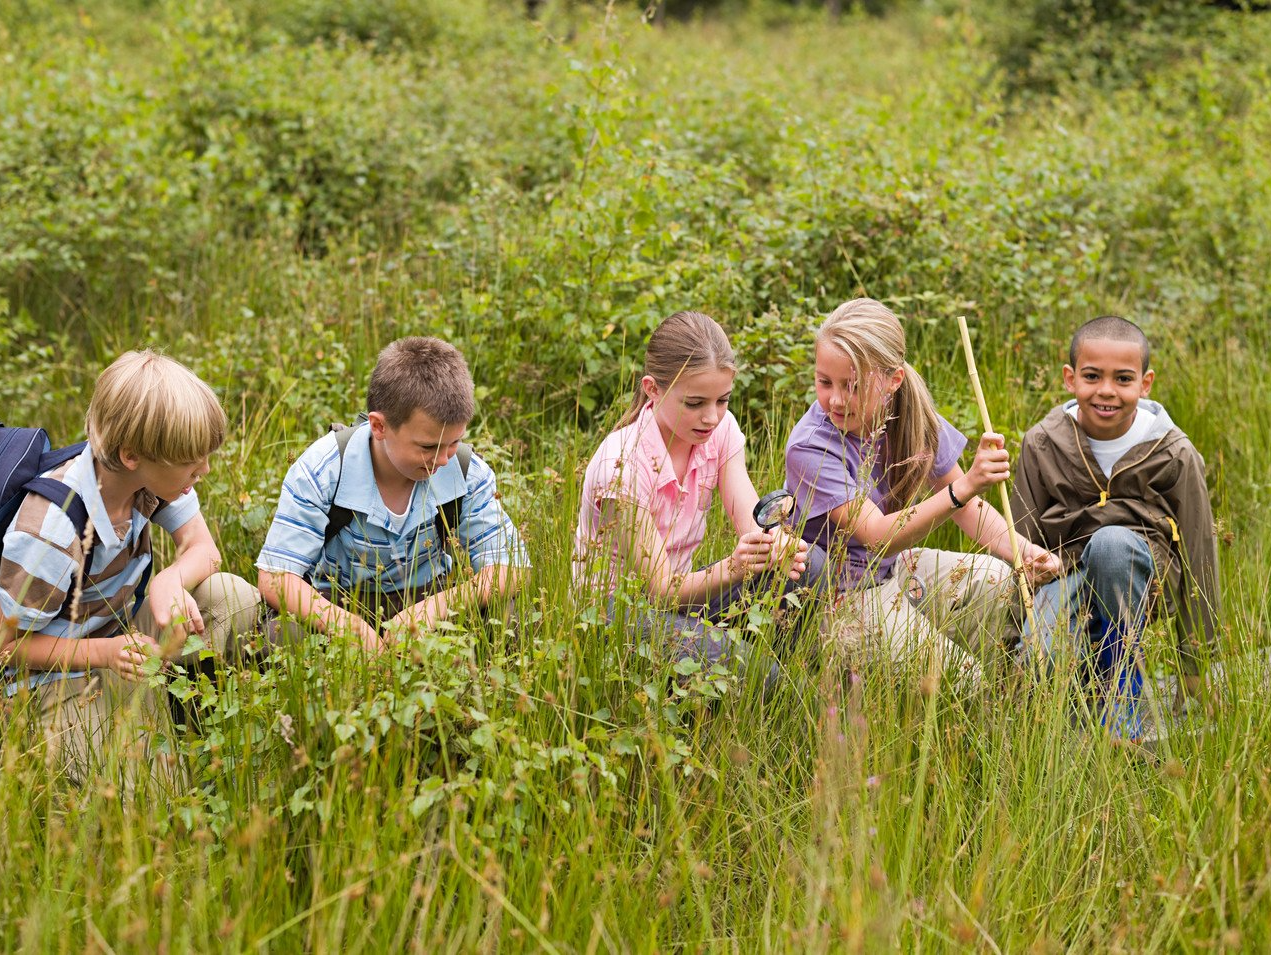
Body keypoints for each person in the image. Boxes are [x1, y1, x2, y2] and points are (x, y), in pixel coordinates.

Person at [0, 350, 260, 790]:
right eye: (191, 460)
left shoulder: (153, 483)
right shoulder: (51, 529)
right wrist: (104, 655)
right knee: (153, 799)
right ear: (132, 455)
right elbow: (7, 648)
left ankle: (175, 704)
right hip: (48, 677)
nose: (205, 470)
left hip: (119, 641)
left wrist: (170, 580)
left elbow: (202, 547)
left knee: (231, 598)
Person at [785, 298, 1062, 689]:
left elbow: (970, 510)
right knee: (958, 681)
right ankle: (965, 685)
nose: (834, 399)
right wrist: (964, 487)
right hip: (836, 595)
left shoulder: (912, 415)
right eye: (823, 382)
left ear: (893, 380)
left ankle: (1001, 683)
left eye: (852, 386)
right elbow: (878, 536)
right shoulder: (810, 446)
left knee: (999, 580)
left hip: (891, 571)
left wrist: (1020, 550)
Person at [573, 310, 818, 681]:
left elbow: (749, 516)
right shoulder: (620, 465)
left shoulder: (718, 430)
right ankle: (761, 679)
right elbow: (660, 591)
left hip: (681, 596)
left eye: (723, 400)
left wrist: (775, 540)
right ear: (652, 389)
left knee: (809, 565)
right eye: (695, 403)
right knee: (754, 671)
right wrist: (734, 567)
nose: (712, 417)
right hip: (614, 612)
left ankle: (771, 677)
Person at [1011, 315, 1220, 737]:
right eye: (1092, 376)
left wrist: (1195, 663)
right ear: (1070, 379)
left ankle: (1122, 690)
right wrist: (1016, 634)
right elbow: (1018, 539)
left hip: (1144, 576)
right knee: (1039, 659)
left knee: (1109, 545)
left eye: (1123, 379)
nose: (1106, 390)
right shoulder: (1043, 442)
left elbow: (1200, 549)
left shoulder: (1173, 451)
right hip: (1066, 574)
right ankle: (1087, 671)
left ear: (1145, 384)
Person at [256, 336, 528, 650]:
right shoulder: (323, 469)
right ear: (379, 426)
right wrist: (349, 628)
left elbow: (512, 568)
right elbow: (276, 576)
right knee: (279, 637)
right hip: (336, 605)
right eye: (428, 447)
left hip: (429, 599)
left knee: (508, 616)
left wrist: (437, 608)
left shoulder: (466, 470)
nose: (442, 460)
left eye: (453, 443)